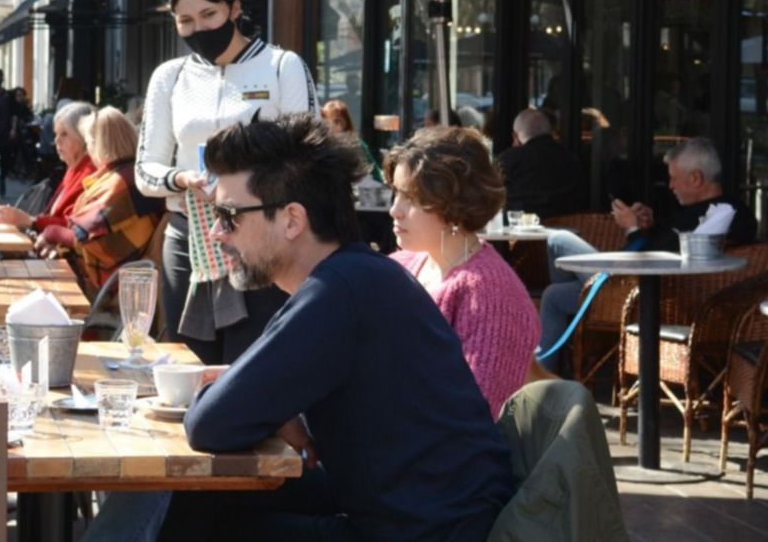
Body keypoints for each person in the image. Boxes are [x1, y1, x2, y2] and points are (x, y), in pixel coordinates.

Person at [160, 114, 513, 540]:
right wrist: (266, 403)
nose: (217, 232)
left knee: (200, 517)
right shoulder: (357, 276)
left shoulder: (337, 292)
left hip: (424, 530)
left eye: (229, 214)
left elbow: (209, 424)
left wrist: (244, 398)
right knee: (202, 498)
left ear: (292, 220)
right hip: (427, 513)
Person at [136, 0, 317, 364]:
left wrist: (250, 188)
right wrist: (183, 179)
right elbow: (146, 170)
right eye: (185, 21)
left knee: (255, 363)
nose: (199, 29)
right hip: (188, 237)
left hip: (261, 238)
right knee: (188, 364)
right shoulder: (169, 77)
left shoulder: (282, 66)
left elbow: (308, 156)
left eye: (209, 14)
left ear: (234, 9)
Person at [538, 136, 758, 373]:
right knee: (554, 295)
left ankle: (566, 356)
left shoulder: (722, 214)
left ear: (696, 178)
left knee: (557, 240)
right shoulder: (708, 212)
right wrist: (649, 226)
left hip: (641, 291)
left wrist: (632, 229)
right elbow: (665, 244)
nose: (670, 185)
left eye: (673, 178)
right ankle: (549, 371)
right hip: (639, 288)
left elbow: (652, 260)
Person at [384, 126, 540, 417]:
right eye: (395, 194)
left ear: (453, 205)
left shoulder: (489, 294)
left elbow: (474, 413)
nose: (395, 210)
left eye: (411, 198)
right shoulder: (400, 265)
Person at [34, 107, 165, 293]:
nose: (89, 151)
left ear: (99, 144)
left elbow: (84, 237)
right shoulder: (132, 175)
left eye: (89, 143)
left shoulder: (120, 182)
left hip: (109, 285)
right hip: (123, 277)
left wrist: (51, 233)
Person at [0, 101, 97, 232]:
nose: (56, 141)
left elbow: (76, 227)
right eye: (56, 134)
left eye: (64, 134)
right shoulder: (75, 167)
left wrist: (29, 220)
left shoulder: (90, 173)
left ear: (84, 137)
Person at [497, 108, 584, 216]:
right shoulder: (570, 158)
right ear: (550, 131)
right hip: (567, 223)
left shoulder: (510, 159)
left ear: (515, 136)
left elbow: (491, 191)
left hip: (520, 223)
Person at [320, 99, 381, 183]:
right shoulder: (321, 146)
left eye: (337, 121)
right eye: (327, 122)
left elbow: (375, 174)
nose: (333, 126)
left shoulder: (356, 145)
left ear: (346, 123)